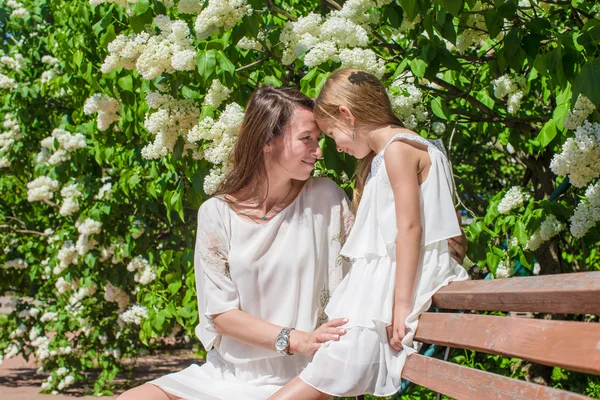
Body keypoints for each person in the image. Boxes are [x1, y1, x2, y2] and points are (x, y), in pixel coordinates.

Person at [117, 85, 467, 400]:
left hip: (304, 378)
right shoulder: (216, 214)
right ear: (267, 141)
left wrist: (443, 233)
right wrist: (296, 338)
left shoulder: (326, 199)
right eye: (307, 139)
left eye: (320, 139)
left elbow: (380, 254)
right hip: (227, 374)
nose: (319, 151)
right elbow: (221, 314)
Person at [269, 69, 469, 400]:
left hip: (392, 292)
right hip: (380, 291)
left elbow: (411, 227)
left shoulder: (398, 149)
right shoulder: (392, 153)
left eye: (332, 133)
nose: (336, 146)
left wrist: (400, 307)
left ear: (347, 115)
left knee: (323, 376)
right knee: (324, 373)